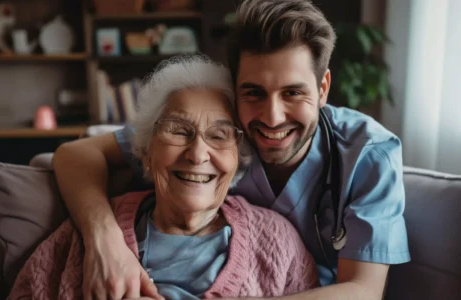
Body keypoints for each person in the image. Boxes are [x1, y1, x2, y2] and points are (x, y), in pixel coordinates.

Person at [53, 0, 411, 299]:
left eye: (292, 93)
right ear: (234, 88)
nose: (272, 118)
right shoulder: (213, 134)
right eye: (253, 92)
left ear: (323, 88)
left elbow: (363, 290)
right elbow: (75, 155)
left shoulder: (369, 154)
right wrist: (105, 238)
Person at [8, 56, 319, 300]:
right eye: (178, 130)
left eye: (220, 135)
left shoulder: (277, 241)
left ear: (239, 159)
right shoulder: (83, 236)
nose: (198, 154)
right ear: (144, 152)